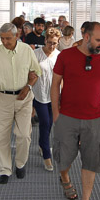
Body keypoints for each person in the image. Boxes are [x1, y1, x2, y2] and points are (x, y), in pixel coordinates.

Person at [50, 22, 100, 200]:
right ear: (86, 37)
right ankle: (65, 178)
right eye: (98, 40)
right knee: (63, 158)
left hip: (95, 120)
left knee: (91, 160)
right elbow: (55, 84)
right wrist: (56, 113)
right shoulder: (65, 56)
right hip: (67, 117)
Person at [0, 23, 41, 184]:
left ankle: (20, 164)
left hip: (24, 98)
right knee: (1, 136)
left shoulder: (27, 50)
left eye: (8, 38)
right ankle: (4, 170)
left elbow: (36, 72)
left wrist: (28, 87)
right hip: (1, 99)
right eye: (2, 38)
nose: (4, 42)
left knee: (24, 135)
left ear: (16, 36)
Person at [32, 28, 61, 171]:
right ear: (45, 40)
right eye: (49, 42)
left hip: (54, 96)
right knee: (45, 122)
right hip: (39, 95)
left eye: (54, 43)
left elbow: (62, 76)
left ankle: (42, 145)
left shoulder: (59, 56)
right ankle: (46, 156)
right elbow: (30, 73)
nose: (52, 46)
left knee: (49, 123)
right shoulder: (36, 54)